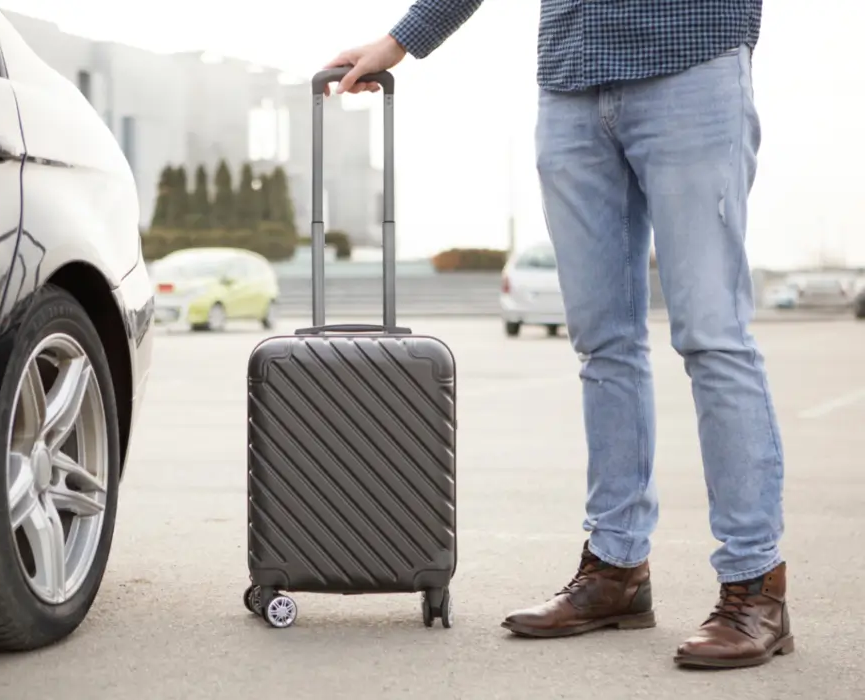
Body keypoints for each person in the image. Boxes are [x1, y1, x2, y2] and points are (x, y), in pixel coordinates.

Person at [323, 0, 792, 670]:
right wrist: (402, 40)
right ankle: (616, 570)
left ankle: (756, 589)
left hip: (691, 61)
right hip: (573, 81)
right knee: (604, 345)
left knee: (713, 336)